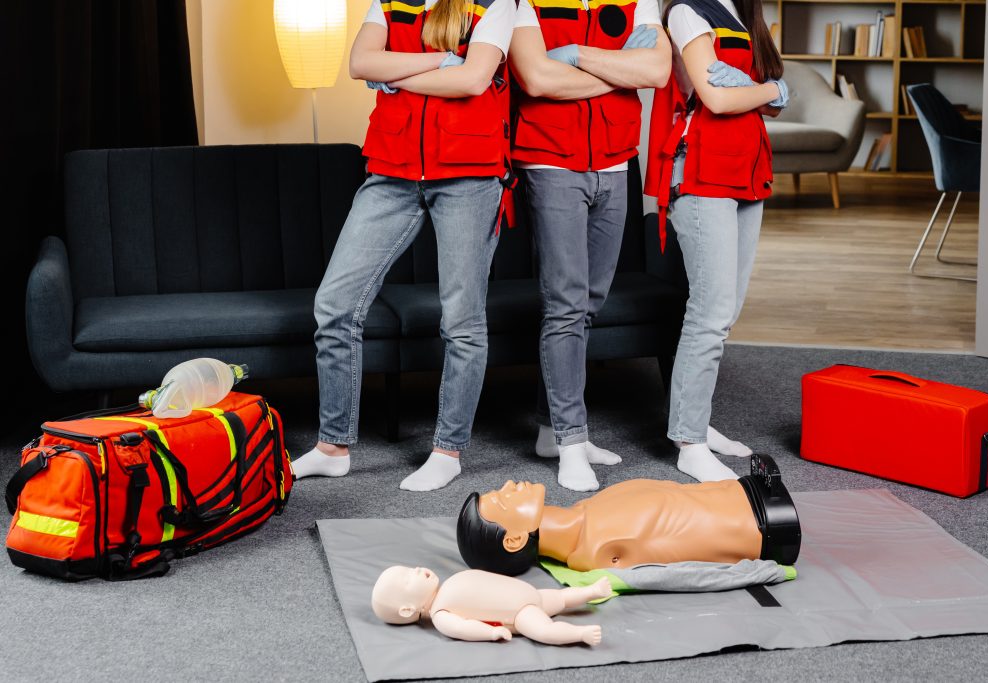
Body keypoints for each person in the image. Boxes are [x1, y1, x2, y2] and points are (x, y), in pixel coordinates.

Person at [291, 0, 516, 491]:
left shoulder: (496, 4)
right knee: (334, 305)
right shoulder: (388, 2)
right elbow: (361, 63)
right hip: (391, 170)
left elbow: (473, 79)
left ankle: (448, 451)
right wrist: (440, 61)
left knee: (461, 321)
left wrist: (395, 73)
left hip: (469, 175)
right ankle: (332, 447)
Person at [508, 0, 672, 492]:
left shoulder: (638, 1)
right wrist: (620, 70)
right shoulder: (526, 3)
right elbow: (536, 79)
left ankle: (550, 429)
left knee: (588, 304)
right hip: (550, 162)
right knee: (565, 305)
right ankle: (572, 441)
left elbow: (657, 71)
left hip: (616, 161)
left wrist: (577, 55)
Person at [645, 0, 789, 482]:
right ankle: (689, 444)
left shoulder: (745, 15)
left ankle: (697, 420)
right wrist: (770, 89)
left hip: (746, 172)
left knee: (724, 315)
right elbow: (717, 98)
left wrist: (755, 88)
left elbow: (760, 101)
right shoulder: (687, 11)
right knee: (709, 313)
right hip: (701, 174)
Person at [456, 454, 801, 576]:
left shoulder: (588, 511)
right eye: (502, 501)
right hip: (764, 523)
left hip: (745, 491)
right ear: (515, 540)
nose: (508, 484)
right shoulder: (600, 551)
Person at [371, 565, 609, 645]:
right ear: (407, 610)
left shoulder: (448, 584)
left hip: (527, 594)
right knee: (544, 630)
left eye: (409, 568)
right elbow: (462, 628)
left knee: (561, 597)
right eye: (407, 579)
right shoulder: (441, 615)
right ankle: (580, 634)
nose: (416, 570)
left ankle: (591, 591)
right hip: (519, 614)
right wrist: (490, 632)